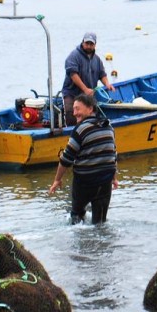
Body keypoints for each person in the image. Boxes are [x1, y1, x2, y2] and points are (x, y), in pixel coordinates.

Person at [48, 93, 119, 224]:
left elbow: (66, 159)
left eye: (78, 109)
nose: (74, 113)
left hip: (85, 182)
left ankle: (80, 242)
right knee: (100, 223)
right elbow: (112, 155)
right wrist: (114, 178)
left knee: (76, 218)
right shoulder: (109, 126)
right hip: (105, 181)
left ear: (90, 109)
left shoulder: (80, 130)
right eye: (73, 109)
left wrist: (57, 180)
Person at [61, 31, 115, 126]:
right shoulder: (73, 56)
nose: (89, 46)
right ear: (83, 42)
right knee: (71, 115)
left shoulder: (97, 60)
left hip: (88, 96)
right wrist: (85, 89)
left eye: (91, 44)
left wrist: (107, 84)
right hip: (72, 93)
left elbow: (102, 74)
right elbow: (73, 75)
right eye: (87, 43)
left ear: (95, 45)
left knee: (92, 117)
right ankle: (71, 135)